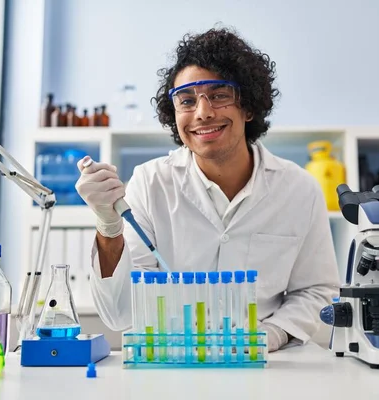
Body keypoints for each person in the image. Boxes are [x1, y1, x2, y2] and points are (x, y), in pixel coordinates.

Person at [75, 27, 340, 352]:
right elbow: (119, 314)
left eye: (219, 95)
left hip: (268, 369)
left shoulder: (299, 190)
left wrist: (270, 335)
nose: (202, 112)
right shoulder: (149, 183)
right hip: (174, 365)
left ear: (249, 106)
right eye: (187, 100)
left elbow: (316, 290)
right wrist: (108, 227)